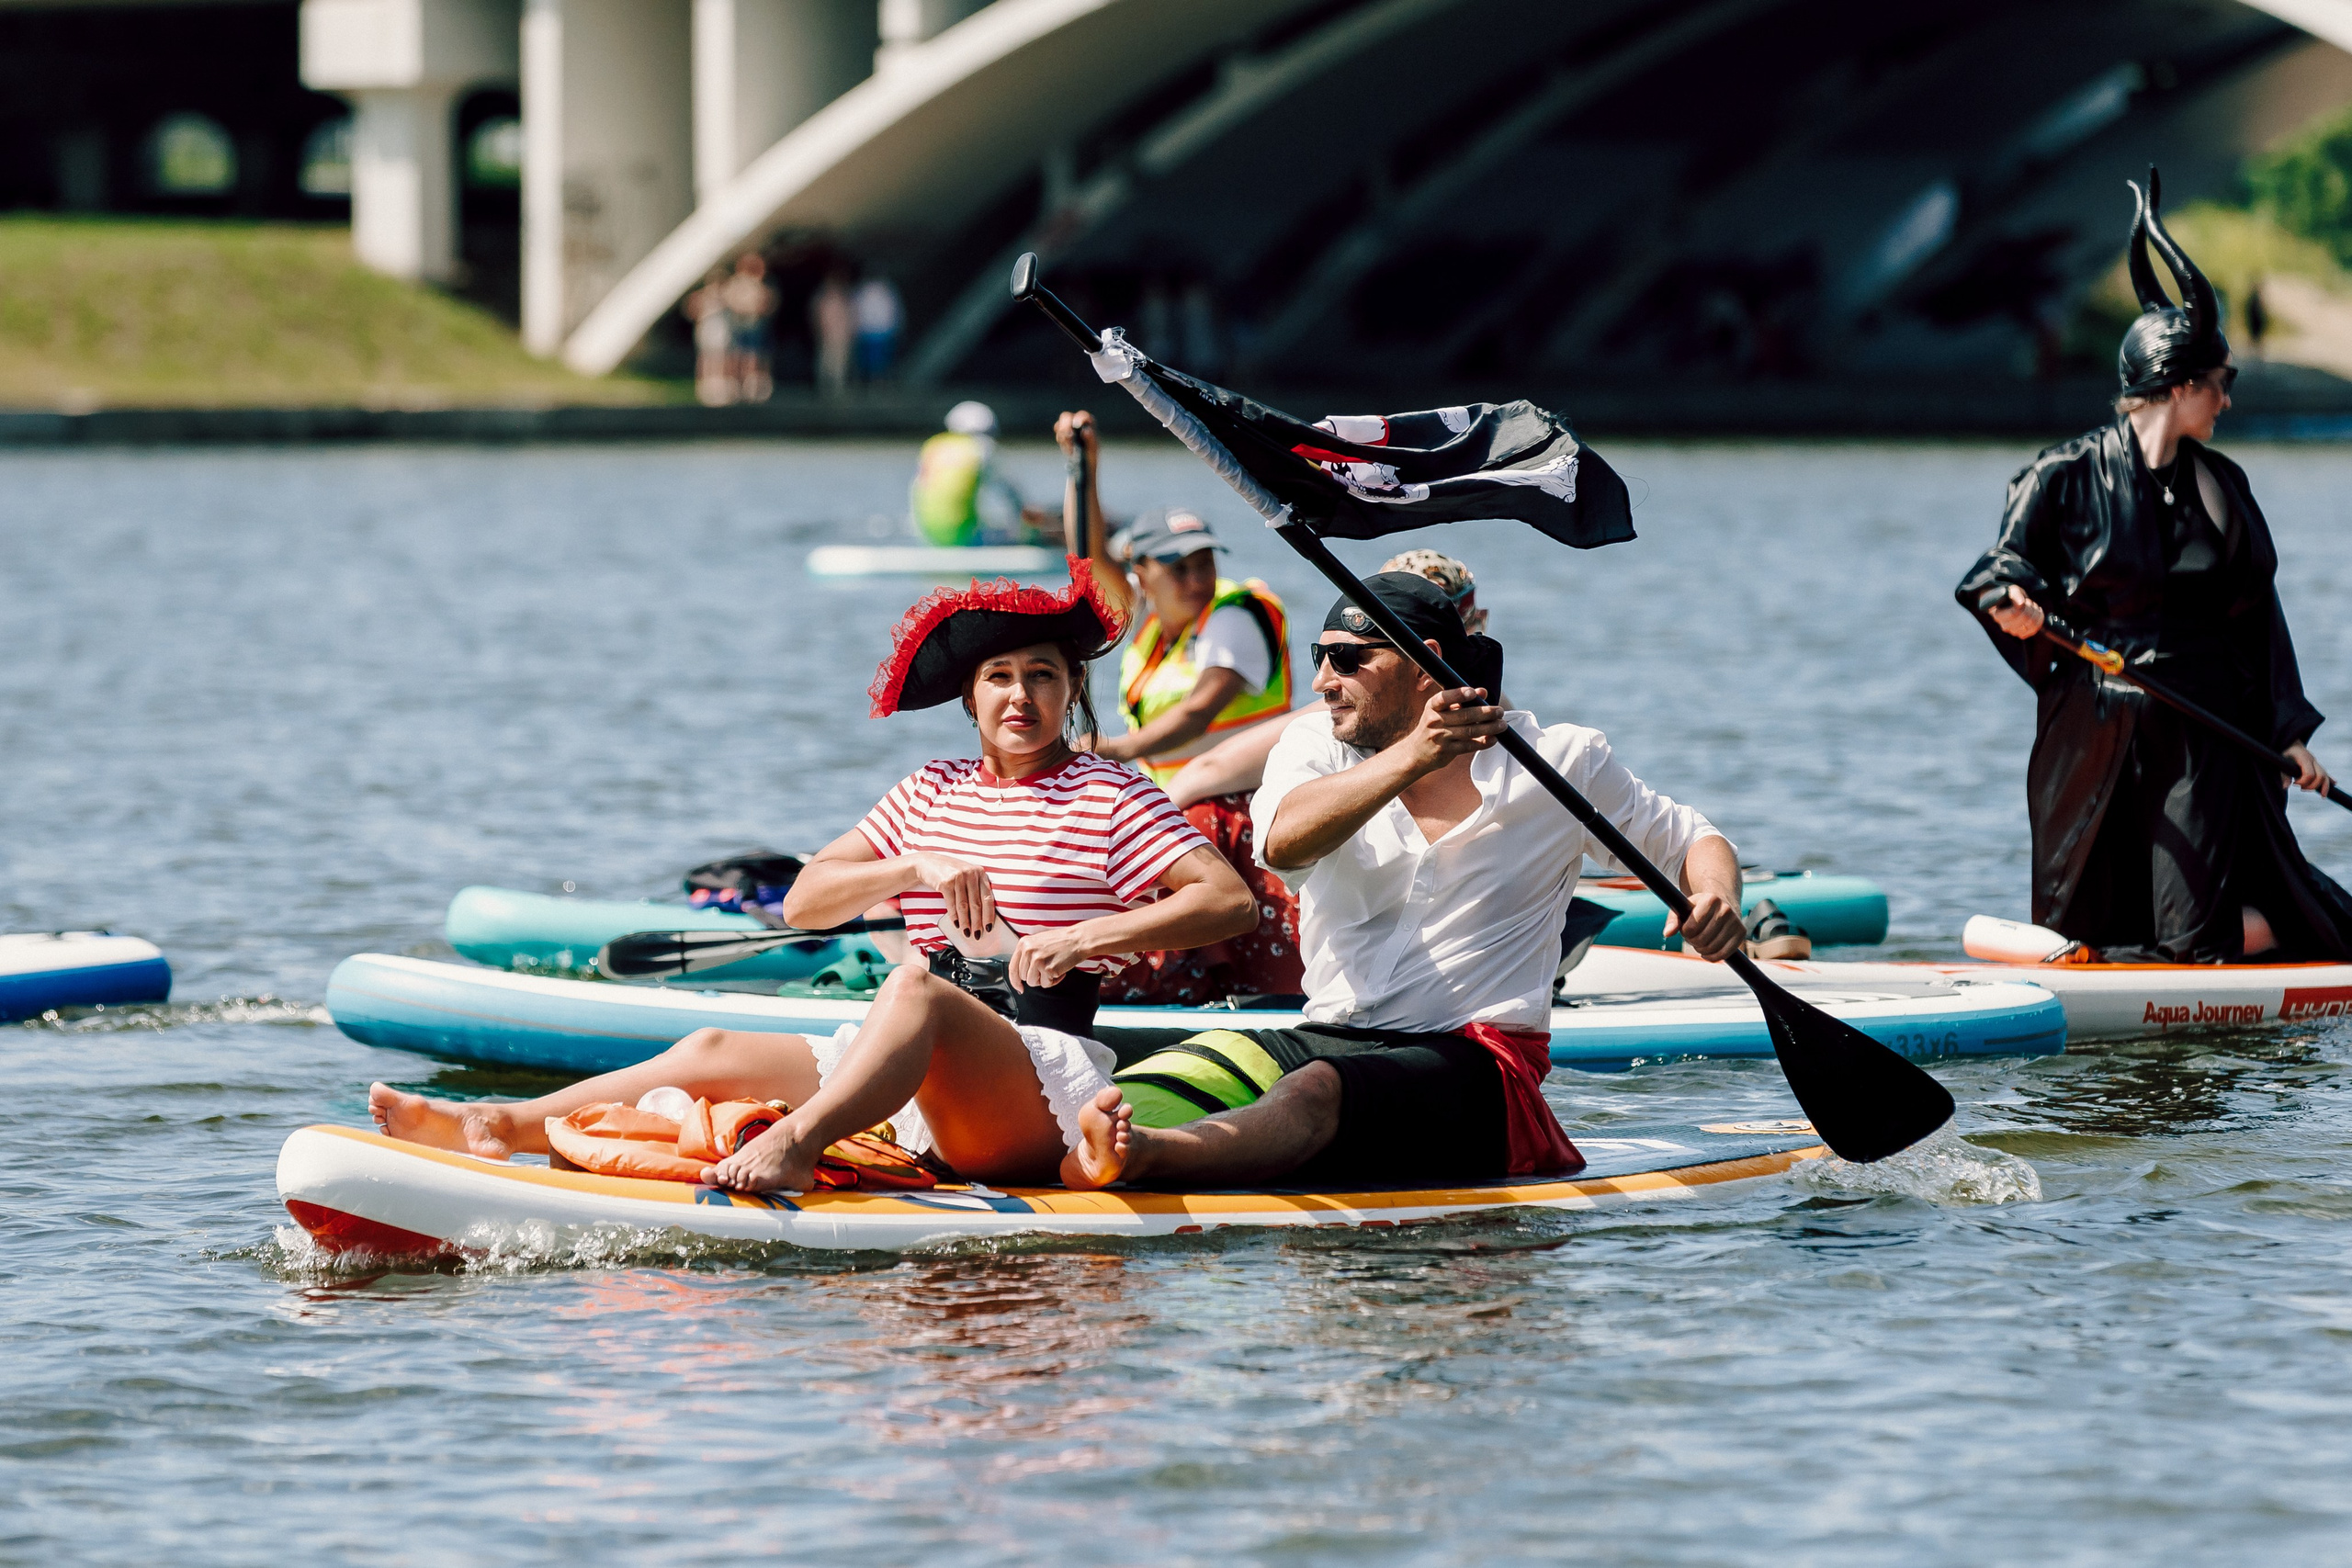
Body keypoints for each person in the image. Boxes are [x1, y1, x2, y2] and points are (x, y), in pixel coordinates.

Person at [368, 565, 1258, 1190]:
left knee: (911, 988)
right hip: (905, 1061)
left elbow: (1225, 900)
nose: (1019, 696)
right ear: (970, 698)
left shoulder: (1108, 790)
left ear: (1071, 690)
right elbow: (802, 900)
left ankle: (796, 1141)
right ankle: (496, 1126)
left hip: (1032, 1079)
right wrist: (913, 866)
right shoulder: (928, 791)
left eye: (1041, 677)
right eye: (999, 678)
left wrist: (1085, 937)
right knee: (713, 1051)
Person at [1062, 571, 1747, 1190]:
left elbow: (1691, 839)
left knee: (1317, 1091)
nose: (1325, 680)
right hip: (1330, 1032)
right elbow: (1284, 839)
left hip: (1482, 1064)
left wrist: (1716, 896)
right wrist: (1412, 756)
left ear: (1428, 663)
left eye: (1349, 659)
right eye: (1319, 658)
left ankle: (1148, 1156)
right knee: (1187, 1064)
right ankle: (1060, 1150)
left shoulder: (1560, 758)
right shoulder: (1312, 748)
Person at [1957, 168, 2352, 965]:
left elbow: (2258, 614)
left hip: (2205, 732)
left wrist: (2290, 734)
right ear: (2177, 388)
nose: (2229, 402)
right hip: (2094, 726)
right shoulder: (2062, 475)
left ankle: (2293, 941)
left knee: (2195, 936)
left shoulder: (2222, 485)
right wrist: (2015, 602)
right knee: (2092, 925)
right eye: (2221, 384)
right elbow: (1994, 571)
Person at [1056, 410, 1298, 1004]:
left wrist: (1113, 750)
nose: (1197, 579)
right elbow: (1086, 558)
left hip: (1242, 805)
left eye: (1204, 562)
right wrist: (1081, 467)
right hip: (1177, 804)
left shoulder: (1238, 613)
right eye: (1178, 566)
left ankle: (1167, 976)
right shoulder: (1146, 626)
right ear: (1140, 574)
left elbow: (1198, 711)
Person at [910, 401, 1030, 547]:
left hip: (927, 536)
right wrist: (1026, 527)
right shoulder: (983, 449)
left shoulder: (933, 446)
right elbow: (1011, 494)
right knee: (1019, 533)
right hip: (965, 538)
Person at [718, 253, 776, 403]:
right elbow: (730, 300)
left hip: (754, 324)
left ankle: (753, 386)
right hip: (740, 324)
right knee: (737, 355)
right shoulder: (737, 283)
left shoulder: (761, 284)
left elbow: (768, 303)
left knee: (755, 355)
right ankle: (737, 386)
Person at [810, 267, 854, 399]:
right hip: (827, 335)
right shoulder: (822, 298)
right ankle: (823, 388)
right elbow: (816, 316)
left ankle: (837, 389)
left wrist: (850, 331)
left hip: (842, 335)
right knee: (826, 362)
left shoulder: (845, 298)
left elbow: (850, 316)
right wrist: (820, 329)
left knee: (840, 363)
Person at [853, 274, 902, 382]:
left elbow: (893, 311)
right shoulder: (863, 292)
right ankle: (873, 379)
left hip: (880, 332)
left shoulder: (886, 293)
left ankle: (877, 379)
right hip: (870, 332)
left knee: (880, 360)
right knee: (869, 360)